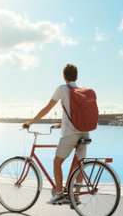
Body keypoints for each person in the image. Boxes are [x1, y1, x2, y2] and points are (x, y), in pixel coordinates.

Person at [22, 63, 89, 205]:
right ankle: (75, 196)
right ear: (77, 77)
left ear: (64, 76)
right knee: (78, 166)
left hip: (70, 134)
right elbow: (75, 114)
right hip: (85, 133)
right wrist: (62, 123)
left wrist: (30, 122)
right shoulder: (82, 90)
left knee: (57, 162)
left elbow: (47, 109)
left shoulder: (62, 89)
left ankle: (59, 194)